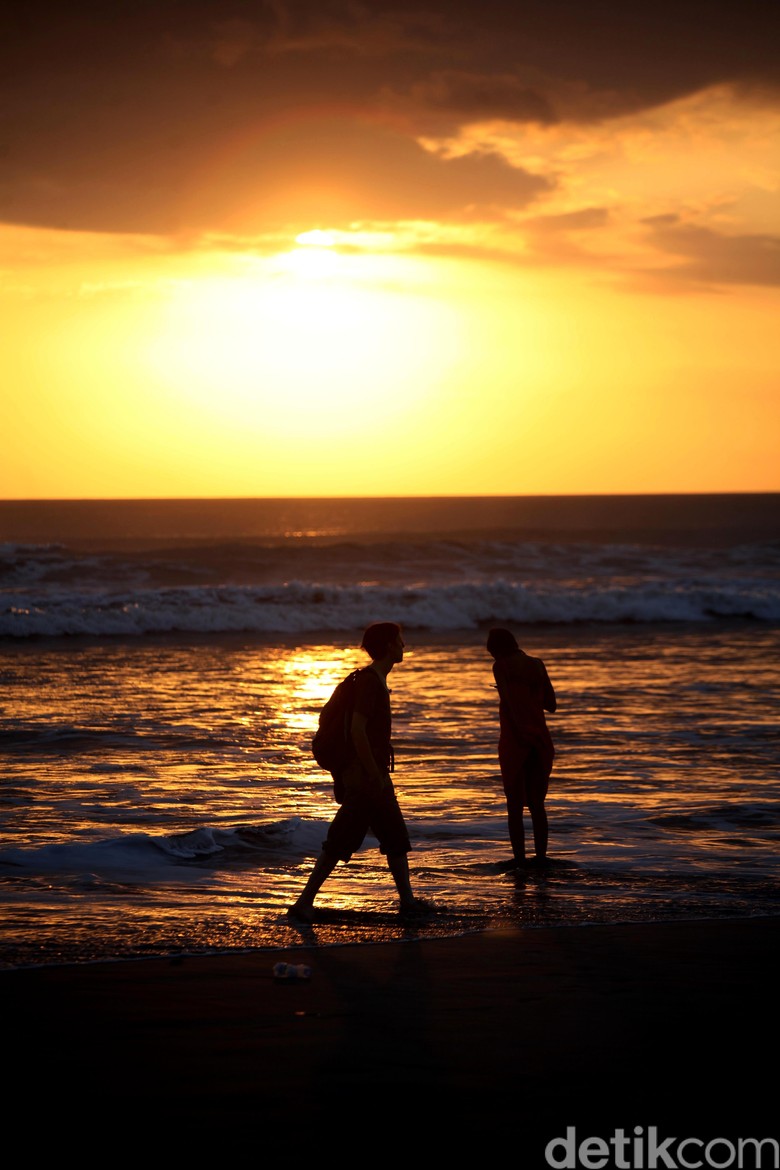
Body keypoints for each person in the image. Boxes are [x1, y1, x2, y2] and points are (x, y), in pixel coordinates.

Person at [289, 622, 430, 922]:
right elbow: (357, 731)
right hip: (366, 776)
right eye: (400, 640)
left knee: (389, 837)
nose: (404, 645)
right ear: (389, 645)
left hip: (369, 774)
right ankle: (304, 903)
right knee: (347, 839)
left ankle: (407, 901)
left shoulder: (374, 680)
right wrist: (374, 775)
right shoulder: (369, 683)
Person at [486, 627, 556, 868]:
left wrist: (519, 728)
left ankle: (519, 861)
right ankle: (541, 859)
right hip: (541, 739)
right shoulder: (537, 664)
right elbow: (551, 704)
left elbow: (508, 701)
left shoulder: (501, 666)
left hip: (515, 739)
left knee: (514, 805)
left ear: (496, 650)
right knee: (538, 804)